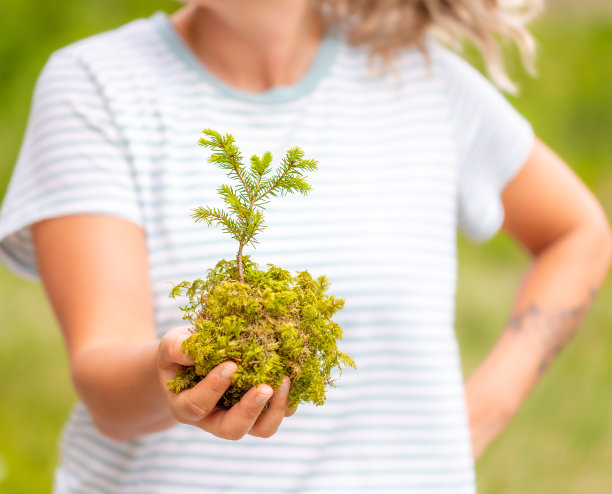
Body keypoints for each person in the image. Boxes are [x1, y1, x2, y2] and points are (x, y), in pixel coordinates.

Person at [0, 0, 610, 492]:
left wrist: (477, 416)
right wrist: (172, 379)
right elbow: (105, 379)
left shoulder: (421, 77)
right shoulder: (95, 85)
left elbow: (577, 232)